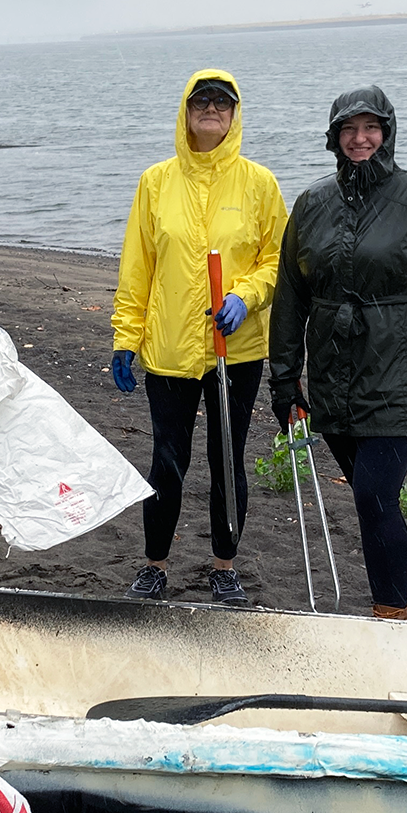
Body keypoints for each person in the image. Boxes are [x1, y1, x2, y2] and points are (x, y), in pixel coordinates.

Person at [268, 85, 407, 621]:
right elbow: (291, 293)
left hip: (401, 368)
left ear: (387, 133)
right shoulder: (313, 203)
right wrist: (285, 377)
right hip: (334, 375)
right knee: (370, 500)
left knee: (375, 493)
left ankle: (392, 613)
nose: (360, 139)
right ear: (334, 137)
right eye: (349, 130)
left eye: (370, 128)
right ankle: (394, 593)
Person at [111, 71, 287, 604]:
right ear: (185, 112)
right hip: (168, 346)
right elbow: (137, 267)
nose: (211, 109)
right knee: (168, 458)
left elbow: (278, 260)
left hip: (236, 349)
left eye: (222, 103)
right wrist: (126, 336)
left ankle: (224, 566)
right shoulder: (156, 182)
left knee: (227, 457)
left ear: (235, 115)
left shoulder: (259, 184)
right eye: (201, 102)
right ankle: (154, 566)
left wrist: (247, 294)